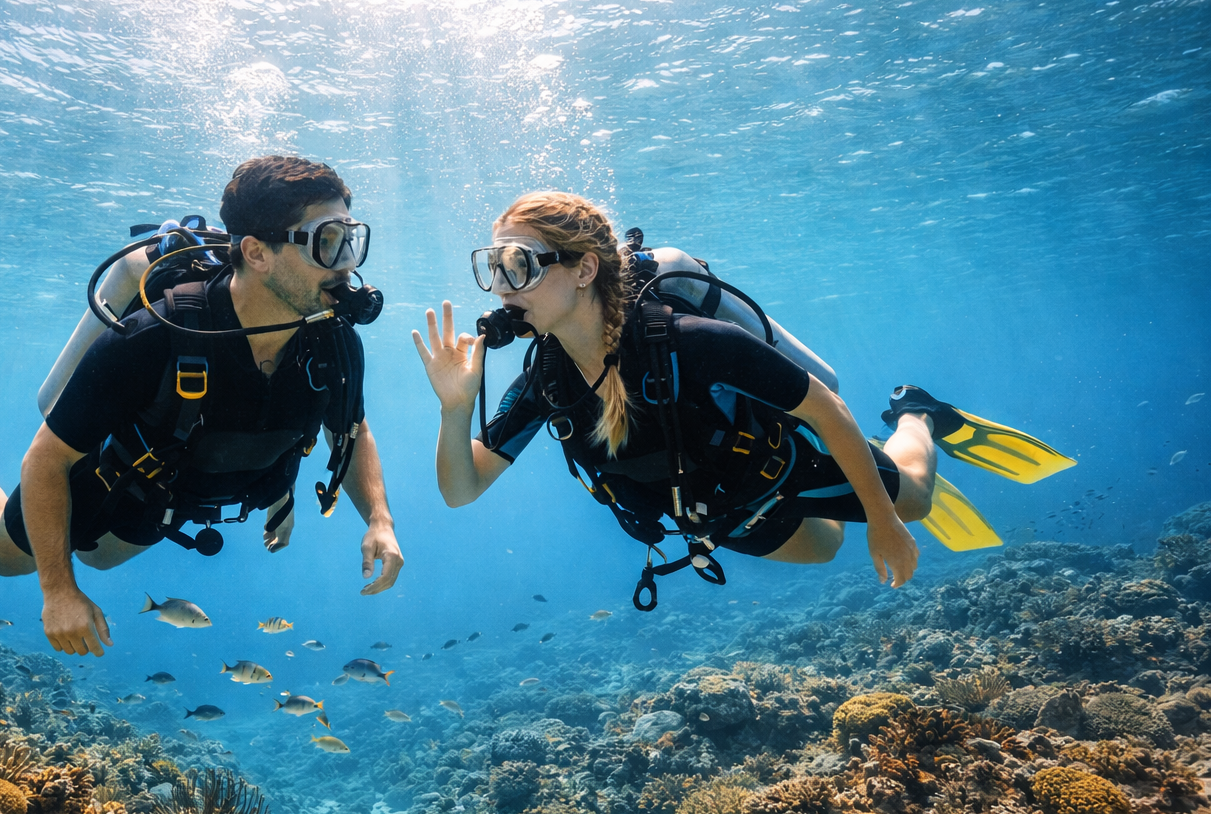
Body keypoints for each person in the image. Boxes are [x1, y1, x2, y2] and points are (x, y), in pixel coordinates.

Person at [0, 155, 404, 653]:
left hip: (175, 491)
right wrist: (57, 593)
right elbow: (44, 462)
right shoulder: (153, 338)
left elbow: (349, 429)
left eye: (351, 239)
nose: (348, 264)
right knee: (3, 553)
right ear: (255, 252)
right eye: (327, 243)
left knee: (103, 562)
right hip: (113, 477)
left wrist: (378, 518)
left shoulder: (334, 340)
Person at [412, 191, 1072, 605]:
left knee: (918, 499)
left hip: (775, 461)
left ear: (583, 269)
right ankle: (858, 475)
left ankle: (915, 413)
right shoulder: (544, 379)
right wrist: (454, 407)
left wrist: (886, 519)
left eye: (520, 265)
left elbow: (825, 406)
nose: (501, 286)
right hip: (719, 509)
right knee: (823, 549)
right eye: (492, 267)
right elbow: (461, 488)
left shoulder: (690, 341)